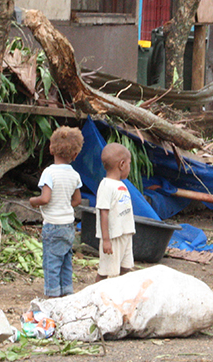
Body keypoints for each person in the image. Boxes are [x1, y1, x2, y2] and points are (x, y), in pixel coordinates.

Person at [29, 126, 85, 297]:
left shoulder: (49, 172)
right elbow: (77, 201)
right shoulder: (74, 175)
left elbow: (45, 198)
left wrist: (34, 201)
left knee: (51, 261)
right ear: (75, 155)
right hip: (69, 225)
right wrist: (64, 205)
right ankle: (66, 291)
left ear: (51, 148)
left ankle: (52, 294)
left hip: (53, 226)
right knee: (66, 260)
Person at [95, 142, 135, 282]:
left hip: (125, 233)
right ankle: (95, 295)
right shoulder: (106, 185)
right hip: (113, 237)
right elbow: (103, 213)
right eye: (129, 164)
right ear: (122, 164)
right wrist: (106, 240)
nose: (129, 168)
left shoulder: (121, 185)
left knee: (125, 268)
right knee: (106, 271)